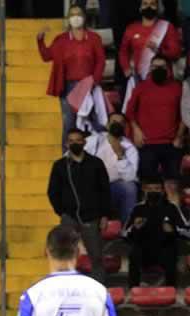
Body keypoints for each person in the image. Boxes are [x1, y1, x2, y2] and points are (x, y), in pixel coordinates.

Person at [46, 128, 111, 283]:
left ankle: (98, 289)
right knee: (65, 254)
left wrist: (104, 215)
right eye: (71, 141)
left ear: (84, 142)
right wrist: (62, 211)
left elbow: (105, 190)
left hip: (92, 217)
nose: (75, 143)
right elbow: (52, 191)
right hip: (69, 217)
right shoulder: (60, 166)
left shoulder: (96, 164)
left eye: (78, 140)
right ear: (67, 143)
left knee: (96, 256)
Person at [37, 5, 106, 144]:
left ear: (84, 17)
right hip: (68, 88)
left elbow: (101, 61)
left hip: (89, 86)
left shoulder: (94, 38)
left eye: (78, 14)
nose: (76, 17)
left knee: (95, 124)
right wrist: (40, 40)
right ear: (68, 19)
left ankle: (101, 156)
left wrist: (94, 81)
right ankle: (66, 159)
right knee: (69, 125)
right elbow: (46, 56)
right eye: (72, 15)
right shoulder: (61, 40)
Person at [125, 54, 185, 199]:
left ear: (168, 69)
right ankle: (147, 218)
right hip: (147, 144)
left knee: (172, 186)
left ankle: (174, 218)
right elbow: (129, 112)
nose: (158, 69)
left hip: (171, 144)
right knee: (147, 186)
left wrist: (179, 136)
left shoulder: (178, 88)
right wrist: (136, 129)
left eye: (162, 67)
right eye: (155, 67)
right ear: (150, 68)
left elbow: (185, 114)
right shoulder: (141, 88)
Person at [124, 178, 187, 288]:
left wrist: (173, 230)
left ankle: (171, 290)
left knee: (170, 253)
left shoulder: (171, 208)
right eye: (149, 189)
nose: (153, 192)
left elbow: (186, 231)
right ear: (144, 190)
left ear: (162, 191)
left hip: (165, 248)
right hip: (143, 249)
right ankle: (133, 290)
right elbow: (124, 233)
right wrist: (135, 228)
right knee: (134, 253)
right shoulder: (138, 208)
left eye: (157, 189)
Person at [85, 113, 139, 223]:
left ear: (124, 127)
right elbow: (71, 157)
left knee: (130, 188)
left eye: (121, 123)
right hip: (91, 186)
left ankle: (127, 230)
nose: (117, 125)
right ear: (107, 124)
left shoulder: (129, 148)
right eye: (114, 122)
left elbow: (130, 177)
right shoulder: (94, 140)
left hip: (113, 188)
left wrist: (120, 156)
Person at [119, 0, 182, 95]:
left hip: (163, 78)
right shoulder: (131, 28)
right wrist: (126, 68)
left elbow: (176, 53)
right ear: (140, 7)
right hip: (139, 79)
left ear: (158, 7)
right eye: (145, 4)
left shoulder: (167, 27)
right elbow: (123, 51)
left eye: (152, 4)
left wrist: (159, 50)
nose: (149, 7)